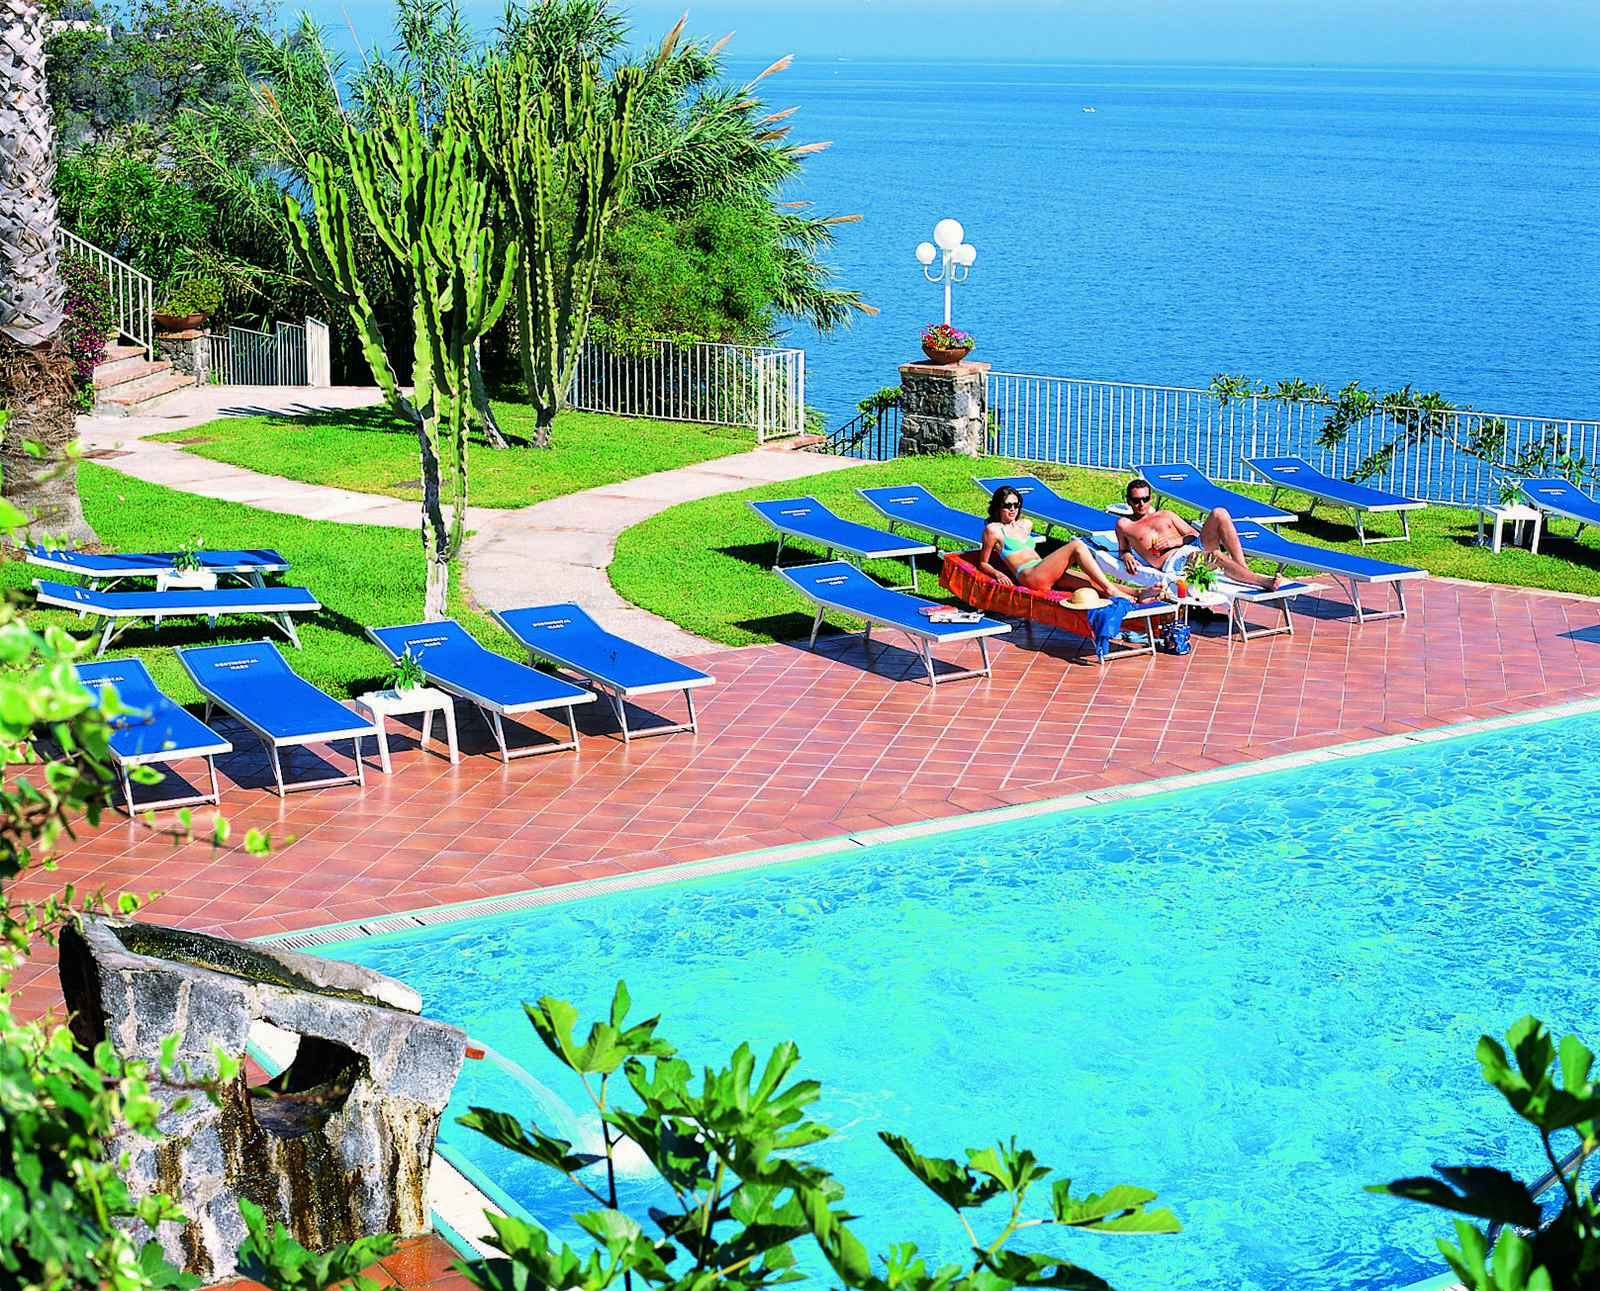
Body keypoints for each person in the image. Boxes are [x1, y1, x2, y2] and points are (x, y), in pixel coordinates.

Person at [978, 486, 1155, 601]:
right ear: (998, 506)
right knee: (1077, 546)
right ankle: (1111, 590)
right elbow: (983, 562)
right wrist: (997, 574)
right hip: (1029, 576)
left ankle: (1138, 593)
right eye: (1007, 505)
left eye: (1016, 505)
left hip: (1044, 569)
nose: (1012, 509)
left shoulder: (1025, 525)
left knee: (1089, 581)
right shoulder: (994, 530)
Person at [1114, 478, 1283, 591]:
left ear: (1151, 498)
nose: (1141, 504)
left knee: (1220, 513)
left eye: (1145, 499)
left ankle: (1242, 568)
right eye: (1136, 500)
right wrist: (1126, 556)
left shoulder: (1165, 514)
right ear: (1128, 501)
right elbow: (1122, 550)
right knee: (1215, 556)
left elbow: (1193, 534)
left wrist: (1175, 541)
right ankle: (1263, 581)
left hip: (1190, 546)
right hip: (1175, 561)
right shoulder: (1125, 525)